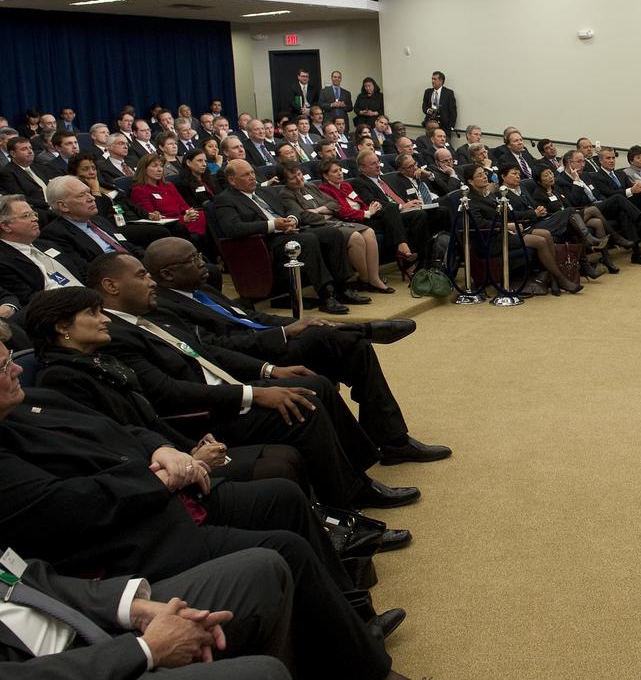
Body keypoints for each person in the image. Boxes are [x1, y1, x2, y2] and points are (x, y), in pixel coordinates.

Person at [0, 322, 410, 680]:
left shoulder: (33, 402)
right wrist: (159, 479)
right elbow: (67, 506)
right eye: (4, 366)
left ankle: (354, 618)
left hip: (162, 492)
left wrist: (162, 450)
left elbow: (123, 427)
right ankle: (361, 658)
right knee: (283, 548)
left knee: (281, 497)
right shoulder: (45, 392)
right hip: (128, 538)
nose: (18, 366)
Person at [145, 238, 449, 466]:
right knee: (336, 339)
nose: (203, 263)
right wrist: (281, 334)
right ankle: (362, 330)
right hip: (251, 363)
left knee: (353, 347)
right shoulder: (164, 308)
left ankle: (393, 440)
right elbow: (214, 349)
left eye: (199, 255)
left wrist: (294, 324)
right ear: (168, 275)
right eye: (192, 259)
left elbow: (254, 318)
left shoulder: (202, 287)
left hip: (269, 343)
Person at [25, 286, 312, 495]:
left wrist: (191, 444)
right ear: (63, 326)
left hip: (172, 446)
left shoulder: (100, 360)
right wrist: (189, 458)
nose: (106, 319)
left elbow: (148, 418)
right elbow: (114, 439)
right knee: (279, 469)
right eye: (93, 313)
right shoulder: (60, 379)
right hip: (153, 474)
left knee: (286, 455)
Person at [0, 547, 294, 679]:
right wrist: (147, 649)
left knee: (263, 571)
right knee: (265, 674)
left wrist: (135, 610)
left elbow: (28, 576)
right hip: (70, 668)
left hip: (86, 623)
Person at [212, 159, 363, 315]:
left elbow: (291, 210)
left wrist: (292, 220)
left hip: (289, 232)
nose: (252, 177)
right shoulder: (225, 199)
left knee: (332, 233)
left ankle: (342, 288)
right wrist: (273, 225)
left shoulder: (265, 192)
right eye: (245, 175)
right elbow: (233, 228)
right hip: (265, 243)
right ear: (232, 180)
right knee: (307, 240)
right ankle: (326, 296)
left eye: (252, 172)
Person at [459, 162, 581, 294]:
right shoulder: (470, 200)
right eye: (480, 175)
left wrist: (509, 225)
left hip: (505, 232)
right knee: (540, 241)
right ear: (470, 181)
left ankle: (553, 279)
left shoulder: (488, 195)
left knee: (546, 234)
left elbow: (502, 214)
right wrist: (505, 225)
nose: (484, 176)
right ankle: (560, 279)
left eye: (484, 173)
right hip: (490, 239)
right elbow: (479, 224)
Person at [279, 162, 393, 293]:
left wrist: (319, 210)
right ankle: (365, 279)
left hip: (334, 221)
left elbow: (335, 204)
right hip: (318, 226)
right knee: (356, 237)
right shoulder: (286, 194)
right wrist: (326, 214)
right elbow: (304, 217)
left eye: (299, 174)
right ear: (285, 181)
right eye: (293, 178)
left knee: (369, 232)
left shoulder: (310, 186)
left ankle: (374, 278)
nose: (299, 179)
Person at [68, 156, 171, 248]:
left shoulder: (106, 185)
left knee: (174, 226)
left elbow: (130, 204)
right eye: (85, 169)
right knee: (161, 232)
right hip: (114, 227)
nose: (91, 172)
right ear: (75, 174)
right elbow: (98, 216)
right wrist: (95, 190)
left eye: (93, 168)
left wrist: (148, 215)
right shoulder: (82, 194)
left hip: (133, 221)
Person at [130, 155, 206, 240]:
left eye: (161, 166)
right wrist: (182, 219)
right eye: (154, 166)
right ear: (144, 169)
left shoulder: (168, 185)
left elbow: (184, 206)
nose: (159, 169)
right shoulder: (139, 191)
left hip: (185, 219)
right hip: (171, 225)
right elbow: (153, 218)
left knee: (207, 213)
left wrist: (191, 212)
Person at [421, 70, 457, 137]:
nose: (432, 81)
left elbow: (453, 111)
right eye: (432, 79)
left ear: (441, 81)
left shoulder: (449, 93)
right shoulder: (428, 92)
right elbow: (424, 106)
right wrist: (428, 110)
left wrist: (451, 127)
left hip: (444, 126)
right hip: (430, 125)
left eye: (435, 79)